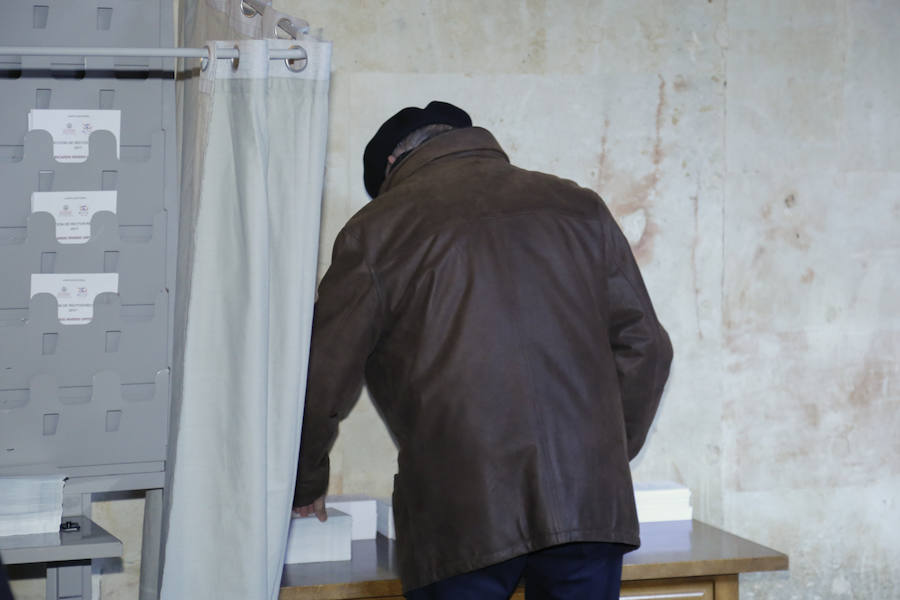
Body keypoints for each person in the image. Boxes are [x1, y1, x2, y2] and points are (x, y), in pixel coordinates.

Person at [293, 101, 673, 599]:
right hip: (588, 508)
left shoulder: (376, 230)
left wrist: (303, 483)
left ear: (391, 165)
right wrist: (599, 455)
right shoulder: (580, 206)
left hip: (461, 512)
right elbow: (647, 348)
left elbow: (321, 379)